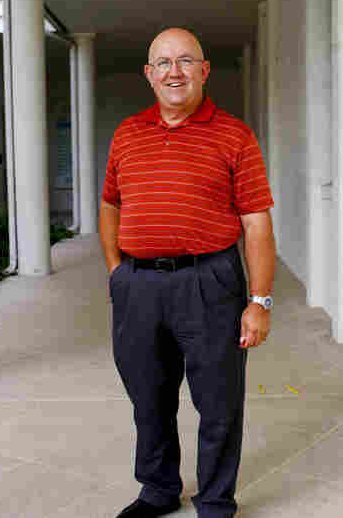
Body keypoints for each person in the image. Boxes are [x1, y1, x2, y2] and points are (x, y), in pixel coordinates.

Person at [99, 27, 276, 518]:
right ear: (149, 75)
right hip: (139, 284)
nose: (173, 71)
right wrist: (117, 271)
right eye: (163, 62)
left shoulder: (234, 135)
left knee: (218, 404)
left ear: (204, 70)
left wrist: (259, 302)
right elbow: (110, 204)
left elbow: (256, 223)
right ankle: (157, 490)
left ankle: (216, 501)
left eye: (184, 61)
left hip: (210, 283)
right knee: (148, 398)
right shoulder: (127, 134)